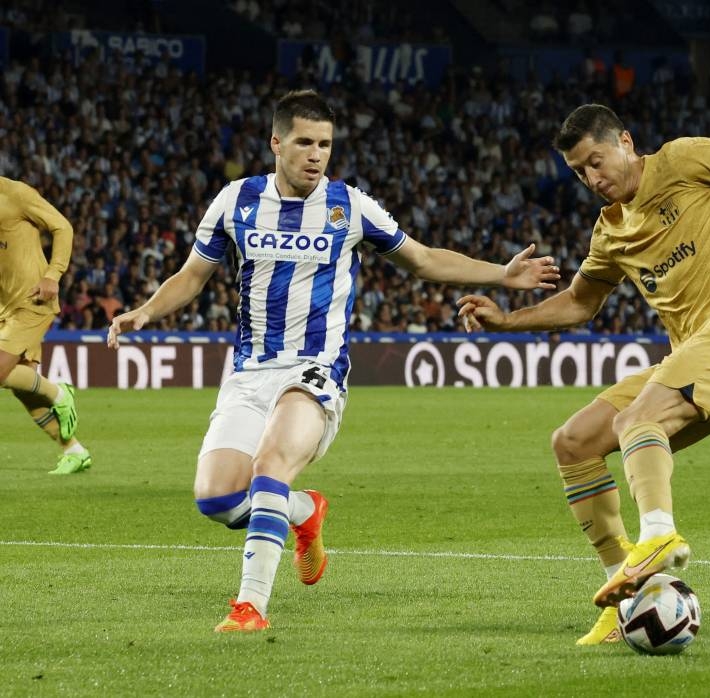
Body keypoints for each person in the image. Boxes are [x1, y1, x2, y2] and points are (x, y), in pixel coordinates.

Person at [106, 90, 559, 633]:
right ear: (277, 143)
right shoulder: (236, 201)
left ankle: (250, 607)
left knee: (270, 464)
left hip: (315, 370)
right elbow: (191, 276)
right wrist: (145, 312)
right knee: (218, 499)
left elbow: (423, 260)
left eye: (324, 144)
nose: (316, 154)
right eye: (304, 143)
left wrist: (502, 274)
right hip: (251, 372)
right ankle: (304, 512)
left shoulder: (351, 206)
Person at [458, 104, 710, 645]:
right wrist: (507, 319)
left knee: (639, 418)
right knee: (573, 442)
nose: (592, 178)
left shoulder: (684, 160)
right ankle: (625, 591)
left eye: (596, 160)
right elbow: (579, 304)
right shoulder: (610, 229)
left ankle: (657, 535)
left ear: (626, 142)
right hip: (697, 353)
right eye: (578, 171)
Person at [0, 177, 88, 474]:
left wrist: (53, 274)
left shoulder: (16, 193)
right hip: (4, 306)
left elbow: (63, 226)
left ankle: (60, 393)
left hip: (33, 299)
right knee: (22, 386)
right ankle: (74, 451)